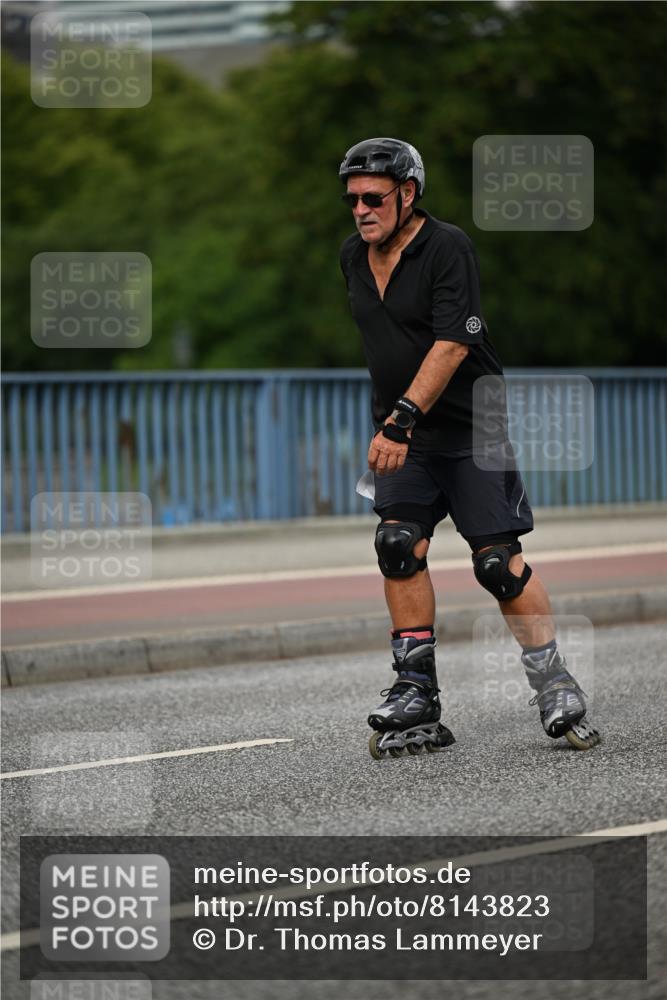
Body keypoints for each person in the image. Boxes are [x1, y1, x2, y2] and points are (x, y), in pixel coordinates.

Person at [338, 137, 600, 759]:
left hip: (470, 432)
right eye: (351, 200)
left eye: (373, 198)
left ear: (408, 194)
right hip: (406, 436)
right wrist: (397, 424)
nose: (360, 210)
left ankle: (553, 681)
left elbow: (452, 344)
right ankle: (416, 690)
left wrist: (400, 419)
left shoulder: (447, 247)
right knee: (397, 545)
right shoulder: (353, 257)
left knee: (496, 565)